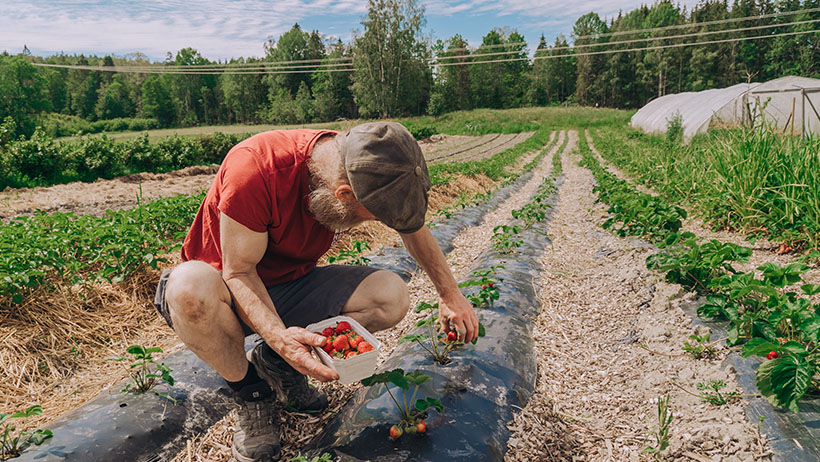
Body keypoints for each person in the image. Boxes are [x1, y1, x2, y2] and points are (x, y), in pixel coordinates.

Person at [153, 121, 479, 462]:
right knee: (188, 287)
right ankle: (251, 393)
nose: (377, 225)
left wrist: (450, 294)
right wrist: (281, 337)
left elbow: (412, 229)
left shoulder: (367, 166)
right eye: (373, 217)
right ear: (344, 195)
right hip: (225, 290)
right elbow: (240, 272)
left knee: (390, 295)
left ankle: (275, 365)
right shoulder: (256, 170)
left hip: (289, 285)